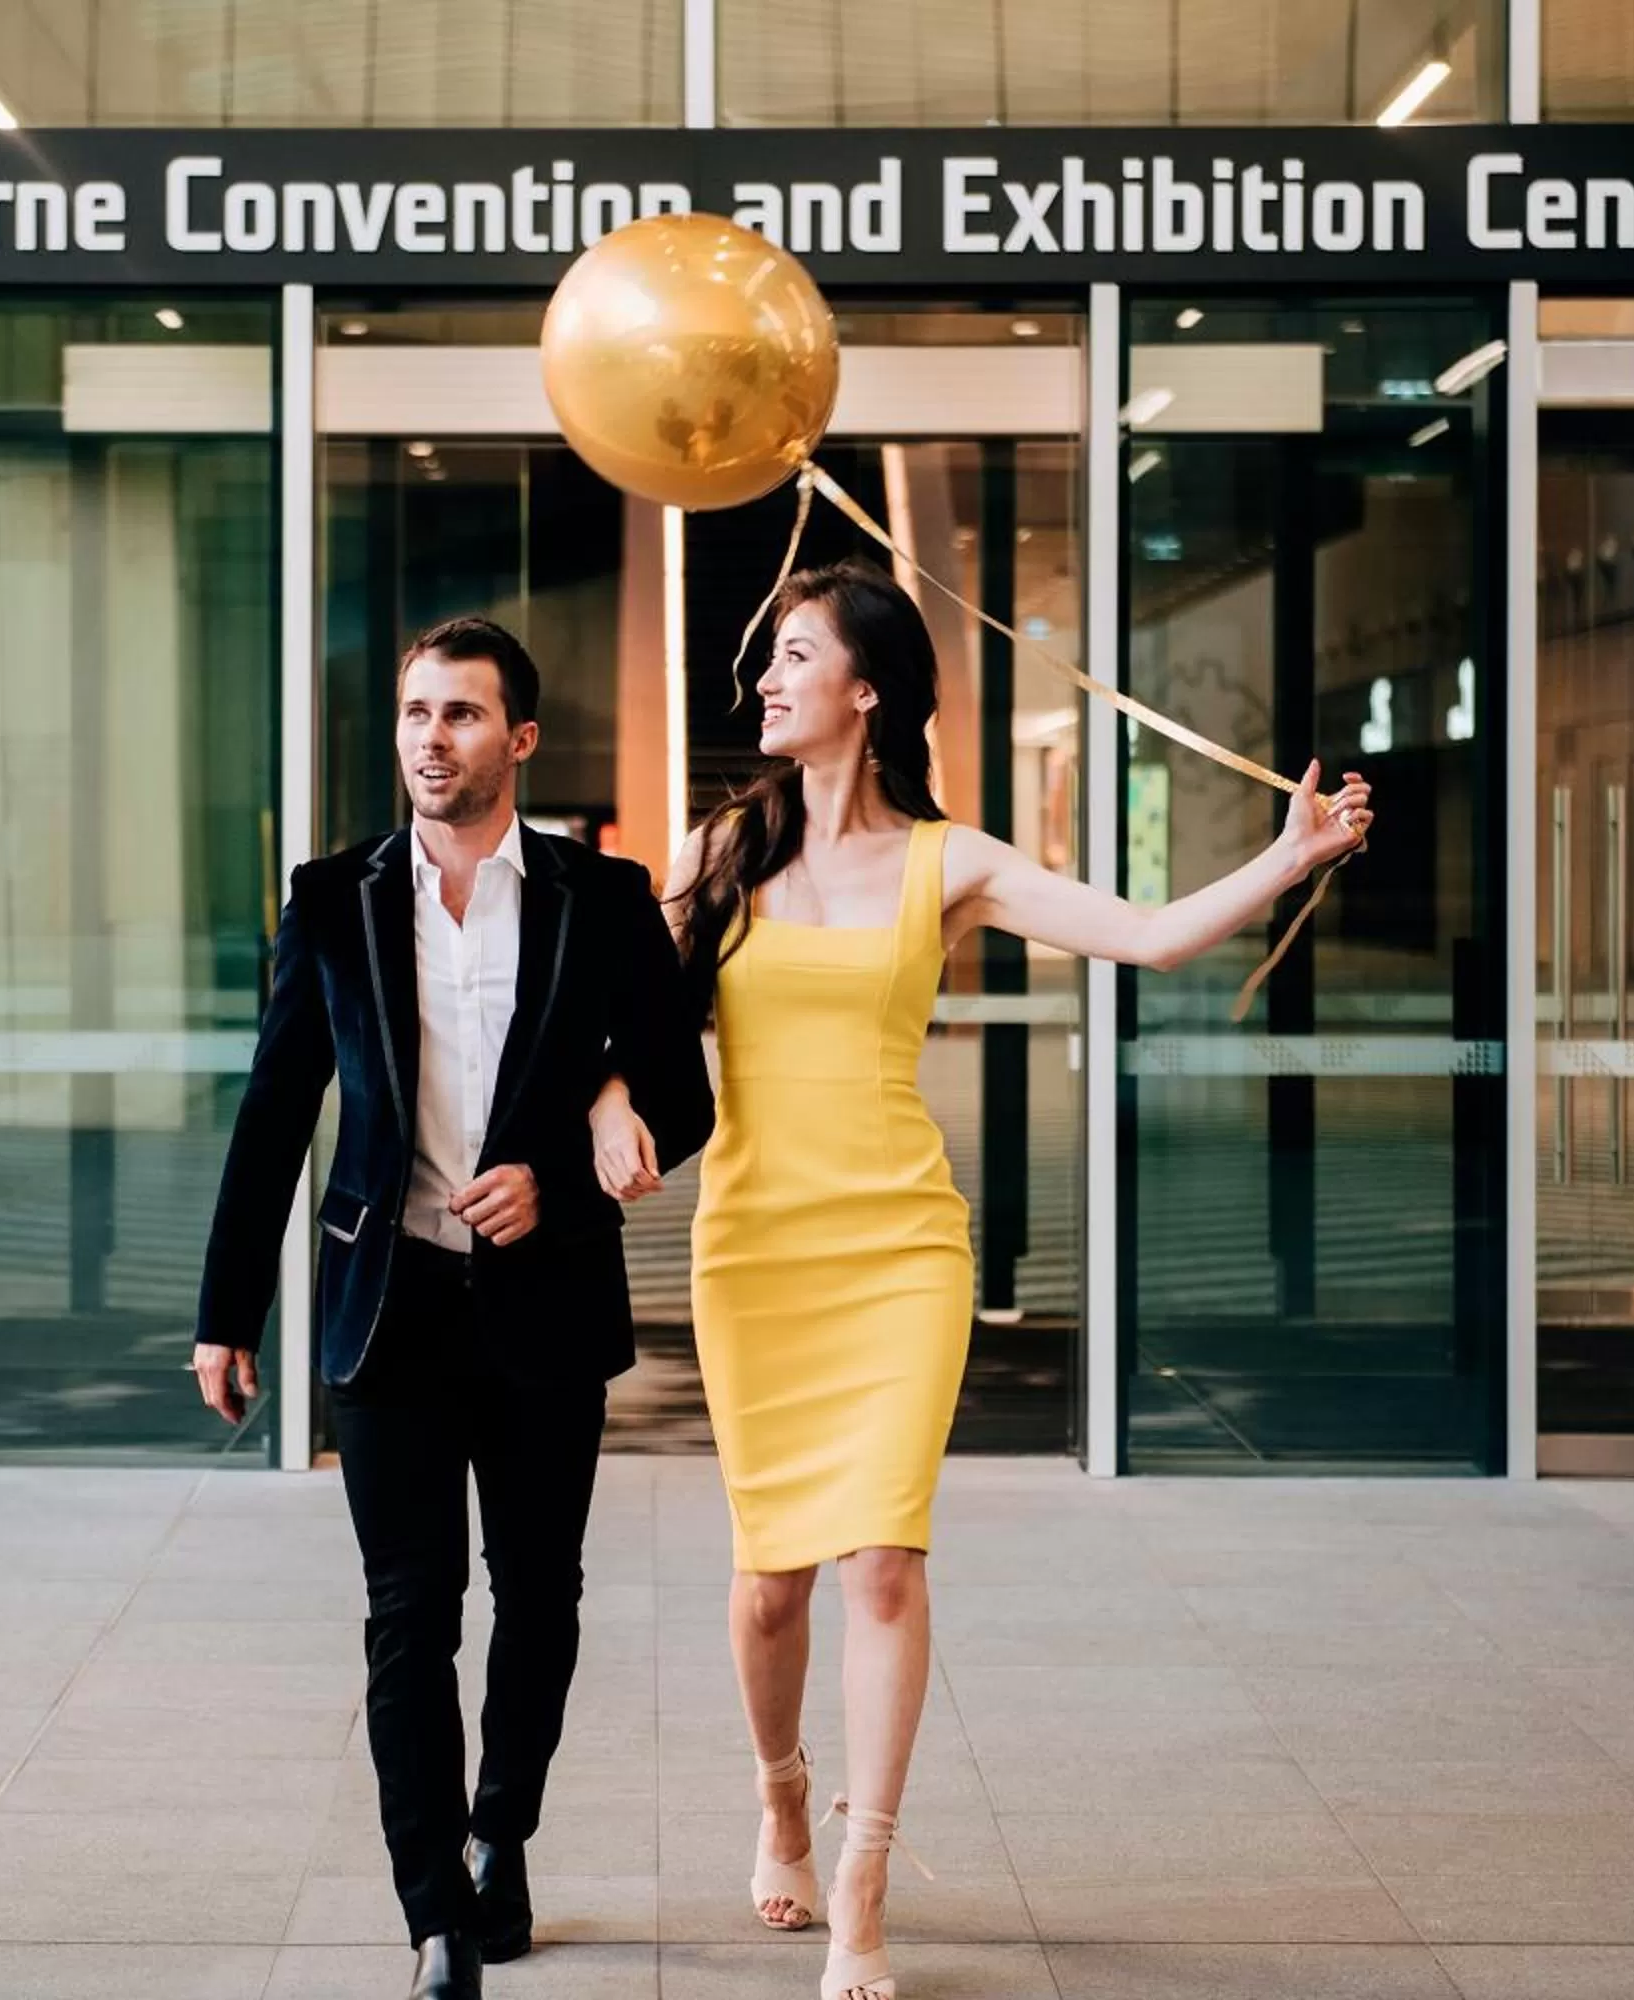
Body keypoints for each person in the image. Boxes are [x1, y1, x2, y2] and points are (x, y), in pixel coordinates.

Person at [588, 562, 1373, 2000]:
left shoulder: (954, 864)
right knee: (770, 1584)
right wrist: (606, 1103)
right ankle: (780, 1795)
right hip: (757, 1247)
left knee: (882, 1561)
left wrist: (1290, 858)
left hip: (899, 1248)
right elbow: (620, 1013)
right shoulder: (723, 854)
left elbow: (1138, 934)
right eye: (768, 659)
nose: (765, 679)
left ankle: (865, 1886)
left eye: (796, 656)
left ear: (868, 691)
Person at [193, 616, 715, 2000]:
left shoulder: (603, 902)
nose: (435, 738)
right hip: (390, 1303)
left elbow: (686, 1093)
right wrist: (225, 1312)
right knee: (407, 1612)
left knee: (538, 1595)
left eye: (465, 715)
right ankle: (433, 1909)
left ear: (521, 740)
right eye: (419, 713)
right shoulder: (334, 901)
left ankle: (503, 1832)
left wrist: (562, 1168)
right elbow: (272, 1114)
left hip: (544, 1305)